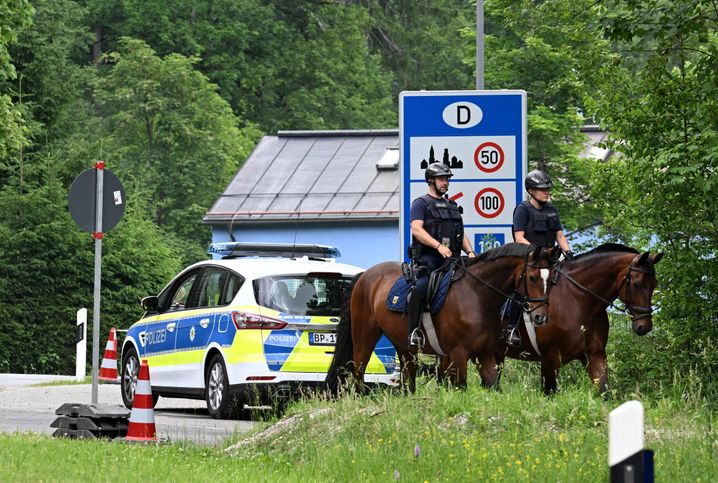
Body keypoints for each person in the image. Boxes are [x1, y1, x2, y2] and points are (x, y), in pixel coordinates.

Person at [407, 162, 476, 350]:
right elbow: (417, 230)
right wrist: (438, 247)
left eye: (447, 179)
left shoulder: (452, 205)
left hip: (453, 258)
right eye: (442, 179)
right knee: (421, 287)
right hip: (430, 258)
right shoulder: (420, 203)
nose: (445, 183)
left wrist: (470, 251)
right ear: (430, 181)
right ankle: (414, 331)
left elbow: (460, 233)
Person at [506, 169, 572, 346]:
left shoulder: (551, 209)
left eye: (547, 189)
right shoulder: (522, 209)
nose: (546, 192)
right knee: (520, 288)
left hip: (550, 258)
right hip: (531, 259)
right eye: (542, 189)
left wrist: (568, 252)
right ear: (531, 191)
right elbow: (519, 237)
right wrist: (537, 252)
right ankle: (512, 328)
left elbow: (559, 234)